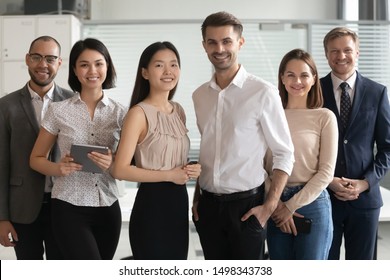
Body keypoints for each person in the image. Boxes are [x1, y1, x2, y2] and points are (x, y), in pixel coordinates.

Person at [191, 11, 295, 260]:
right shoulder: (199, 96)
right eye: (212, 42)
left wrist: (269, 207)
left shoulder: (263, 92)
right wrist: (196, 198)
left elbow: (284, 154)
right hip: (207, 207)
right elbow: (208, 151)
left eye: (227, 41)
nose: (220, 48)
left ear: (240, 42)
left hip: (248, 207)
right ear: (204, 45)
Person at [30, 38, 127, 260]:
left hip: (108, 205)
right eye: (84, 64)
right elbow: (35, 158)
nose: (92, 70)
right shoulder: (58, 110)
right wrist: (58, 168)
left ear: (108, 67)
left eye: (99, 63)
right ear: (74, 69)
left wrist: (113, 163)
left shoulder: (122, 113)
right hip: (69, 206)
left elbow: (130, 162)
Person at [110, 41, 201, 260]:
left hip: (179, 204)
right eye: (159, 65)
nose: (168, 71)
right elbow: (120, 170)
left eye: (174, 64)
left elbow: (172, 157)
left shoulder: (178, 110)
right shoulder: (138, 114)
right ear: (145, 72)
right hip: (152, 206)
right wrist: (170, 175)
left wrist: (190, 169)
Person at [0, 36, 73, 260]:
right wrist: (2, 218)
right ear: (27, 60)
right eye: (37, 57)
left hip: (63, 206)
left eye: (50, 58)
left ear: (59, 63)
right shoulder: (6, 105)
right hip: (22, 209)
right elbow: (1, 164)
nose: (43, 64)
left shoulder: (72, 102)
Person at [320, 27, 390, 260]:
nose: (341, 56)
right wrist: (328, 181)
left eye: (347, 50)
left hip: (365, 200)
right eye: (334, 51)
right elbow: (304, 148)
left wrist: (365, 183)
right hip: (323, 197)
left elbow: (387, 148)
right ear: (326, 54)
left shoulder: (377, 92)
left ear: (357, 52)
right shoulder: (313, 91)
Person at [265, 48, 338, 259]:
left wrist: (291, 206)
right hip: (275, 204)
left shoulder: (324, 117)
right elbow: (260, 167)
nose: (298, 81)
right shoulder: (269, 116)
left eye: (304, 75)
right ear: (282, 78)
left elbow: (325, 172)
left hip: (312, 204)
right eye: (291, 75)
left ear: (314, 79)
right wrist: (277, 203)